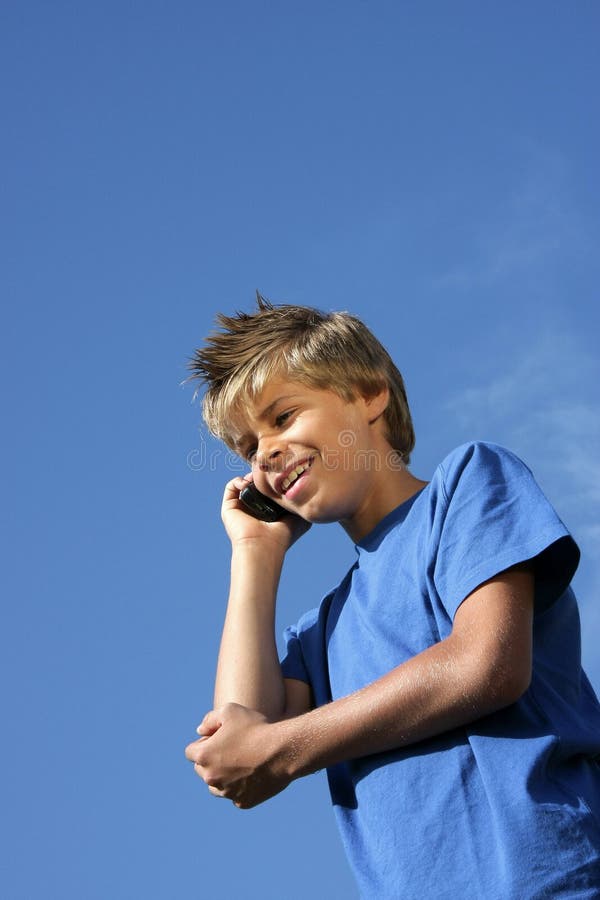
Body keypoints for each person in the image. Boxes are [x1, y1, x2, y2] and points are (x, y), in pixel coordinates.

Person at [184, 295, 600, 898]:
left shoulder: (467, 484)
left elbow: (488, 664)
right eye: (248, 447)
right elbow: (239, 742)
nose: (265, 453)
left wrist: (280, 747)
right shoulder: (320, 631)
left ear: (369, 392)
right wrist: (255, 553)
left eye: (283, 417)